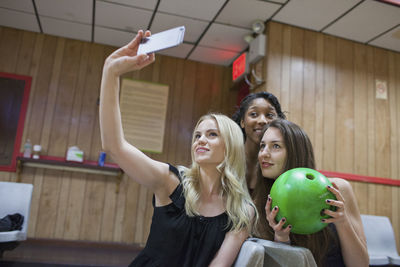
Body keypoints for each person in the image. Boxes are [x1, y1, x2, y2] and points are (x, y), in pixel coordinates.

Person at [99, 30, 256, 267]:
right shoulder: (171, 181)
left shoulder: (242, 211)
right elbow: (114, 146)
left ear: (230, 146)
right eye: (197, 135)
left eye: (212, 135)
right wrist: (110, 71)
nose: (200, 140)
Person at [254, 119, 369, 267]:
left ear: (296, 151)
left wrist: (342, 221)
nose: (264, 153)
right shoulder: (262, 201)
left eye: (275, 146)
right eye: (262, 146)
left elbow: (361, 265)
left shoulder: (337, 189)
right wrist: (281, 238)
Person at [232, 92, 286, 195]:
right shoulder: (227, 157)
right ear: (242, 122)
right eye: (254, 114)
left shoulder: (283, 162)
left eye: (269, 115)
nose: (262, 121)